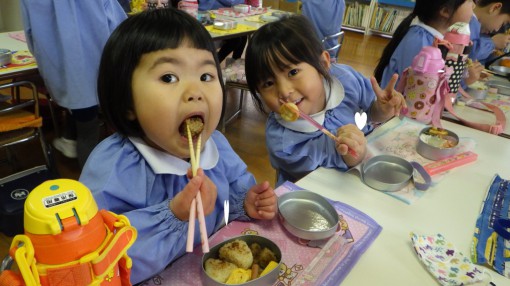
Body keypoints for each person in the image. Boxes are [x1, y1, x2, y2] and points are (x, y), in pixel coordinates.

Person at [79, 8, 277, 284]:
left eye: (206, 76)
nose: (195, 92)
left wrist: (247, 202)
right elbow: (97, 259)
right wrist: (173, 216)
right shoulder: (114, 167)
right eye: (169, 77)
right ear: (127, 103)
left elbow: (233, 191)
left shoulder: (215, 146)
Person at [244, 15, 407, 186]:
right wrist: (351, 152)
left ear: (322, 64)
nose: (284, 92)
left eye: (292, 72)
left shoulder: (347, 80)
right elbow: (332, 172)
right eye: (268, 83)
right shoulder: (283, 141)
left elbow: (367, 114)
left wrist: (380, 112)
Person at [19, 1, 127, 168]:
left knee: (79, 108)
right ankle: (91, 183)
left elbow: (30, 32)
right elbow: (118, 23)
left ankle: (70, 143)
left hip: (59, 65)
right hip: (97, 61)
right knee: (88, 129)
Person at [374, 0, 477, 88]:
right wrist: (464, 82)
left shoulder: (435, 38)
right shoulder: (421, 43)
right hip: (402, 109)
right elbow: (422, 91)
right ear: (445, 11)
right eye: (469, 0)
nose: (474, 5)